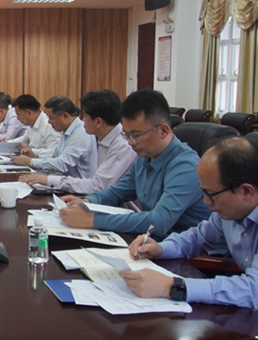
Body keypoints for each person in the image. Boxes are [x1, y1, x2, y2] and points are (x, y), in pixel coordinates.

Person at [122, 137, 258, 340]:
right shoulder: (236, 207)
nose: (206, 202)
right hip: (248, 321)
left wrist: (175, 286)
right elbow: (198, 237)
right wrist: (160, 248)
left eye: (210, 194)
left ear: (246, 190)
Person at [59, 89, 211, 239]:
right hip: (150, 242)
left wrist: (92, 220)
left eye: (136, 135)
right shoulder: (146, 156)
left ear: (163, 131)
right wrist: (87, 201)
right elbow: (118, 192)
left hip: (183, 249)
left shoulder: (185, 167)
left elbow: (158, 222)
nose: (130, 142)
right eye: (126, 135)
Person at [19, 89, 136, 194]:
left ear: (98, 122)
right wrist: (36, 159)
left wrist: (45, 177)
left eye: (85, 116)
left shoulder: (122, 145)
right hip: (85, 190)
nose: (83, 120)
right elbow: (56, 156)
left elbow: (99, 186)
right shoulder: (102, 138)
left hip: (91, 193)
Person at [11, 96, 97, 180]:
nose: (49, 122)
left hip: (77, 186)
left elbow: (62, 164)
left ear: (65, 116)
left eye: (51, 118)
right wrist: (36, 156)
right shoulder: (67, 131)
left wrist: (30, 162)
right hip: (64, 181)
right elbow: (55, 156)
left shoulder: (81, 133)